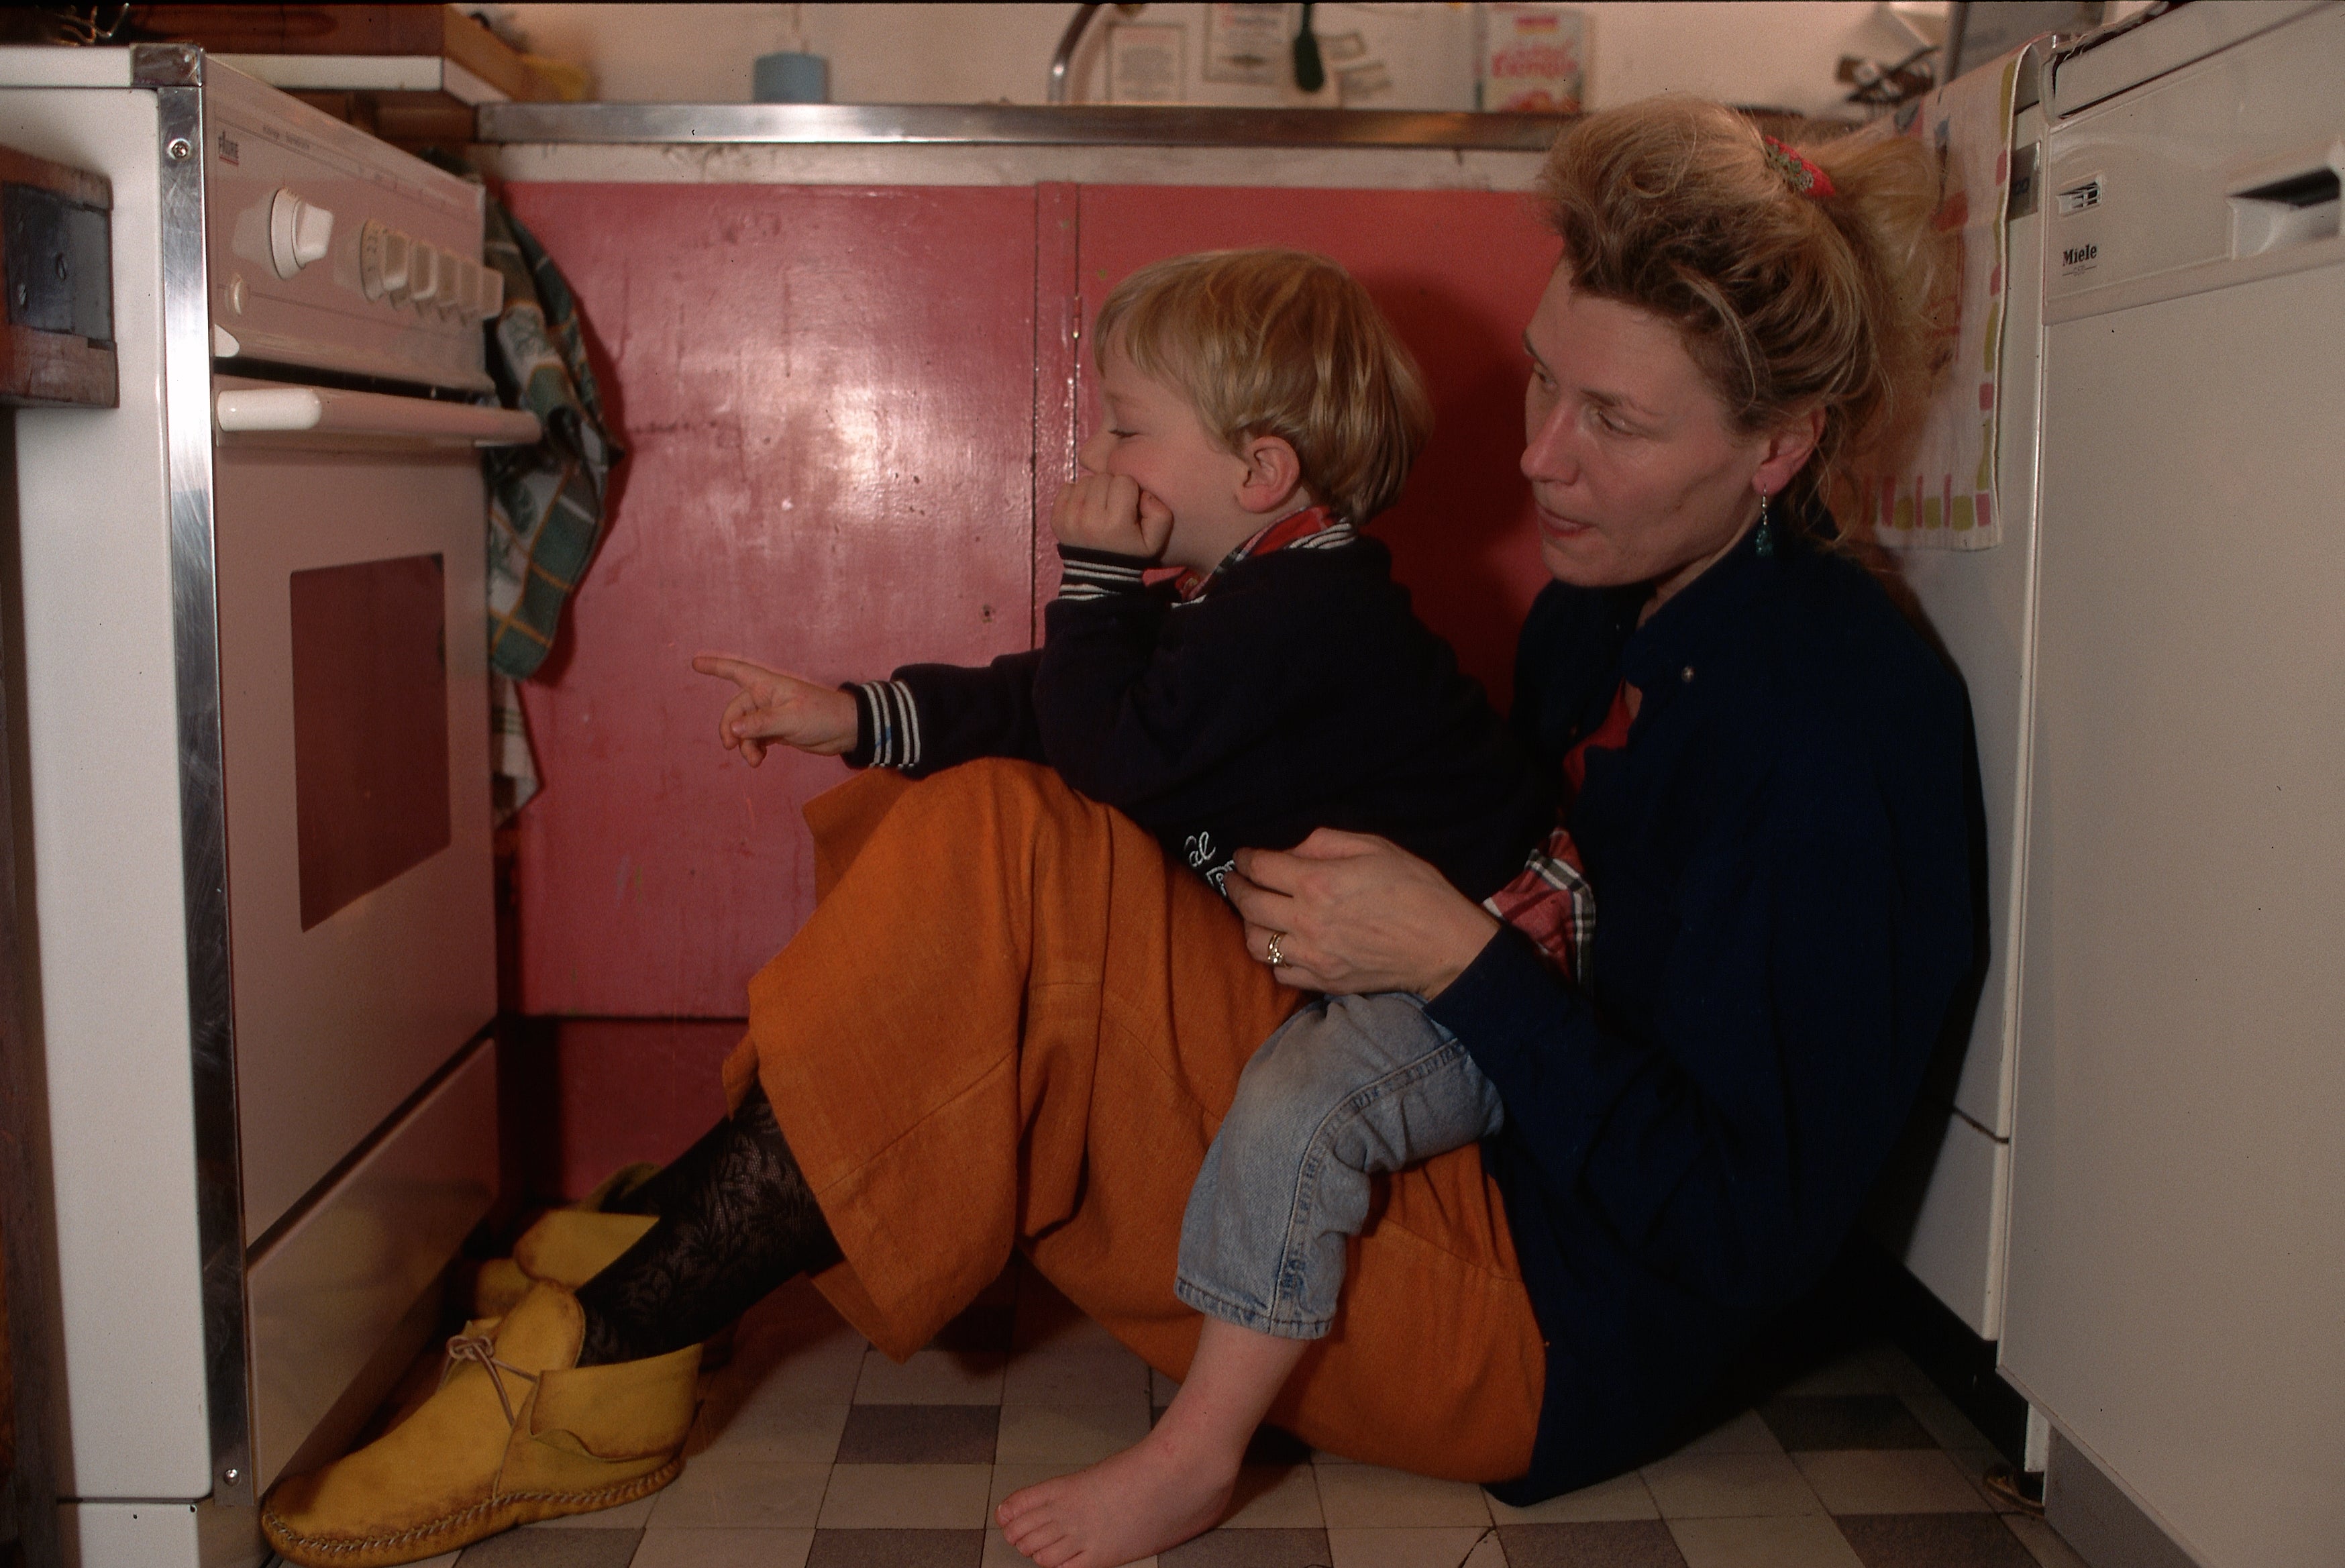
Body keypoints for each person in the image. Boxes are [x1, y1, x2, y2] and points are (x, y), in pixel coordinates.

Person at [259, 97, 1973, 1568]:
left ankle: (609, 1353)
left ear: (1780, 446)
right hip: (1431, 1151)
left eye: (1612, 421)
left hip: (1544, 1318)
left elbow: (1744, 1229)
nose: (1537, 460)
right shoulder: (1610, 614)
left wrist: (1451, 959)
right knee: (986, 806)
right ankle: (685, 1247)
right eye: (1541, 384)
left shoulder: (1835, 721)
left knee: (1014, 839)